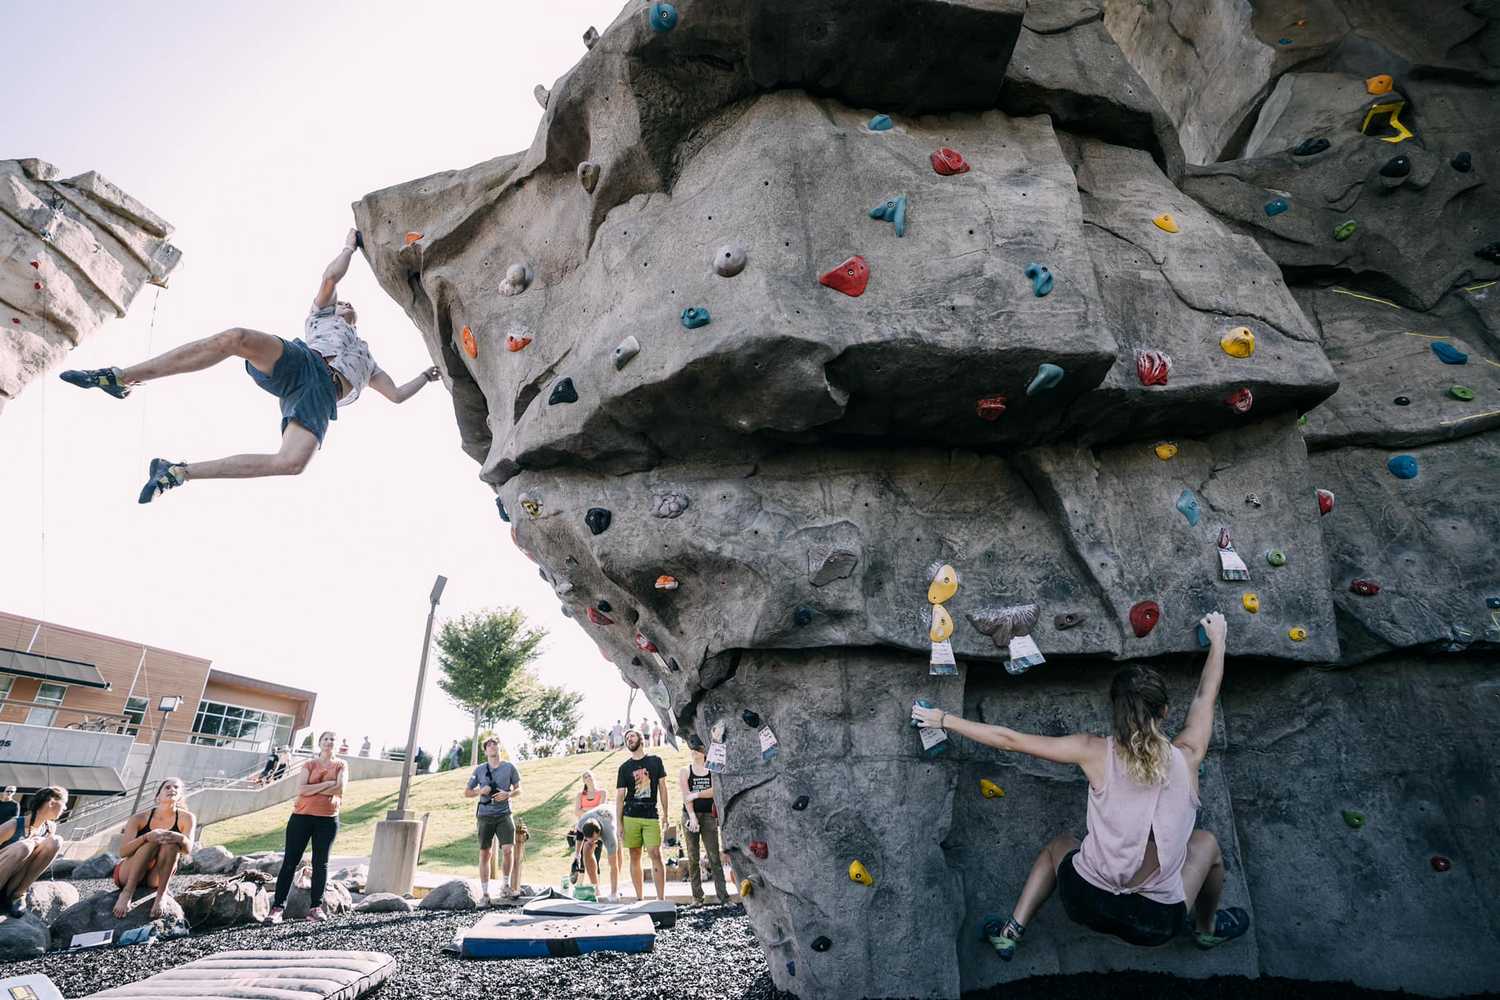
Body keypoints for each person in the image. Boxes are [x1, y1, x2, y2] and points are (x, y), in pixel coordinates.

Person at [911, 612, 1250, 958]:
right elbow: (1205, 697)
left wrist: (942, 718)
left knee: (1059, 846)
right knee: (1207, 845)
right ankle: (1206, 930)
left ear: (1115, 712)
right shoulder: (1189, 754)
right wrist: (1219, 639)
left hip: (1086, 901)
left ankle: (1011, 931)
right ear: (1163, 711)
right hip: (1156, 923)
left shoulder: (1093, 751)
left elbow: (1009, 739)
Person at [58, 229, 442, 504]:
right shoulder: (322, 317)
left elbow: (395, 396)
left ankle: (176, 471)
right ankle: (120, 376)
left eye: (348, 307)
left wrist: (428, 375)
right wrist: (349, 247)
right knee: (236, 337)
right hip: (302, 362)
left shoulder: (369, 360)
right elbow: (330, 277)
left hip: (321, 395)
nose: (346, 306)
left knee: (291, 464)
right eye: (343, 304)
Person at [268, 731, 346, 923]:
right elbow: (301, 789)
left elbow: (340, 788)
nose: (329, 742)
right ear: (320, 744)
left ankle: (315, 908)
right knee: (289, 862)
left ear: (336, 745)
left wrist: (315, 788)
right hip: (301, 817)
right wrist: (328, 784)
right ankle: (277, 908)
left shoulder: (341, 765)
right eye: (325, 739)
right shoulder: (309, 764)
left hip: (327, 819)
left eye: (332, 739)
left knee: (321, 864)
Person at [112, 778, 195, 919]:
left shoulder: (187, 818)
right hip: (128, 873)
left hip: (155, 877)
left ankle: (161, 895)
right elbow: (123, 852)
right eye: (167, 787)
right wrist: (145, 837)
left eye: (176, 787)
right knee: (151, 841)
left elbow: (187, 850)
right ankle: (127, 892)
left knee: (171, 844)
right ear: (157, 797)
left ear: (180, 796)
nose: (172, 789)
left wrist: (180, 838)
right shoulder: (139, 818)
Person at [465, 736, 522, 905]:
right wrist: (480, 791)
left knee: (508, 850)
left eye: (494, 744)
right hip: (485, 815)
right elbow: (467, 792)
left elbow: (519, 789)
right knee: (485, 853)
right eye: (488, 745)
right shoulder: (480, 770)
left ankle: (505, 886)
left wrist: (508, 794)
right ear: (485, 751)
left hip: (504, 813)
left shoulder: (509, 767)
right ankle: (484, 894)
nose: (491, 747)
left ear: (499, 747)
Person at [615, 728, 669, 901]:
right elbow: (619, 797)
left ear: (640, 739)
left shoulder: (655, 761)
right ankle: (640, 899)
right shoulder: (624, 768)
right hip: (630, 815)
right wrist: (619, 823)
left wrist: (666, 814)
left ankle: (661, 899)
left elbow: (663, 788)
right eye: (626, 738)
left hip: (651, 815)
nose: (629, 739)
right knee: (634, 854)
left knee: (655, 853)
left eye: (632, 736)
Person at [0, 786, 67, 918]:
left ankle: (18, 894)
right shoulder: (14, 825)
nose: (65, 808)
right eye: (64, 803)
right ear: (52, 802)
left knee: (56, 841)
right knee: (24, 847)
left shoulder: (50, 828)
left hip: (16, 879)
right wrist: (33, 842)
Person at [679, 735, 729, 906]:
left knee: (714, 856)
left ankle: (724, 897)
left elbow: (715, 790)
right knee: (693, 856)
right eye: (692, 749)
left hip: (708, 815)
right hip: (690, 814)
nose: (693, 751)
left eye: (697, 749)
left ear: (704, 751)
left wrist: (698, 794)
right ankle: (697, 897)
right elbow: (686, 796)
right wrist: (692, 816)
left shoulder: (712, 769)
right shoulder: (685, 771)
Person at [572, 808, 620, 901]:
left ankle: (615, 891)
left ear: (598, 833)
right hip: (596, 816)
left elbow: (613, 866)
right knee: (587, 848)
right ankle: (596, 889)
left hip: (615, 817)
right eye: (588, 838)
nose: (592, 841)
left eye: (593, 838)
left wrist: (613, 894)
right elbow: (579, 838)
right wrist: (577, 856)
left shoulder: (609, 834)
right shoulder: (581, 822)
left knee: (615, 859)